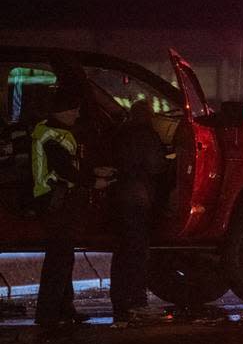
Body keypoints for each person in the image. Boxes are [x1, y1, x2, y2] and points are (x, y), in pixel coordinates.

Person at [30, 84, 112, 327]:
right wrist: (93, 181)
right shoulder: (51, 135)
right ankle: (48, 314)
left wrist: (94, 170)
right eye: (74, 110)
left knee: (63, 257)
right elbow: (63, 170)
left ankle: (63, 309)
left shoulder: (56, 132)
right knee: (59, 258)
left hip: (59, 199)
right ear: (64, 110)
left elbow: (70, 165)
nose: (77, 114)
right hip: (56, 201)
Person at [109, 100, 167, 326]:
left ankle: (120, 301)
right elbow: (156, 165)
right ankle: (137, 301)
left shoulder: (121, 133)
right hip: (138, 197)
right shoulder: (146, 135)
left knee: (122, 251)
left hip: (120, 196)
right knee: (137, 251)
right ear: (149, 115)